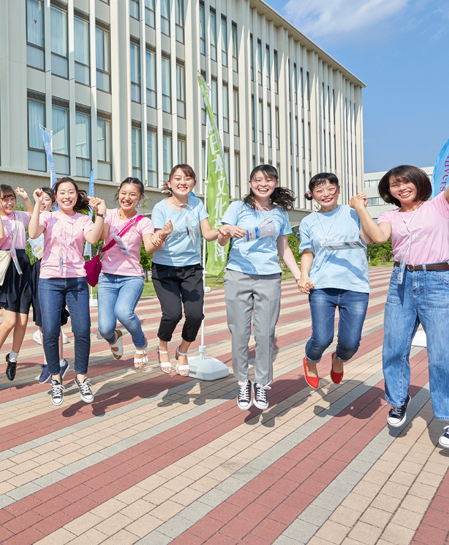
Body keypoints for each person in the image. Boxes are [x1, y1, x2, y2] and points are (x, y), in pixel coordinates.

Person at [351, 111, 449, 449]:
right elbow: (378, 237)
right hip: (400, 283)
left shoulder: (440, 204)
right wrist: (361, 208)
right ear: (389, 191)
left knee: (442, 354)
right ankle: (399, 399)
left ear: (419, 183)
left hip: (437, 282)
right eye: (394, 184)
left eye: (406, 181)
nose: (401, 187)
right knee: (393, 348)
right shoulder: (389, 215)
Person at [218, 164, 300, 411]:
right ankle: (243, 381)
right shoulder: (236, 207)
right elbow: (221, 239)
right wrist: (227, 230)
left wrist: (298, 276)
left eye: (269, 180)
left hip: (269, 277)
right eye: (258, 180)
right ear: (250, 183)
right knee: (239, 332)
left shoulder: (280, 214)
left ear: (275, 183)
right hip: (238, 275)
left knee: (265, 334)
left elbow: (283, 249)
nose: (263, 184)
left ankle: (262, 384)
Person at [29, 177, 107, 405]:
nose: (66, 196)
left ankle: (81, 377)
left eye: (70, 192)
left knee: (82, 330)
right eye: (61, 192)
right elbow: (33, 234)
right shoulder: (47, 216)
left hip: (76, 281)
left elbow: (93, 238)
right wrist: (36, 204)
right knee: (51, 331)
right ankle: (56, 380)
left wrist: (100, 214)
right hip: (49, 281)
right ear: (55, 196)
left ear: (76, 195)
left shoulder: (83, 219)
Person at [298, 173, 370, 388]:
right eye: (319, 190)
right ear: (312, 195)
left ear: (338, 190)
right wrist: (304, 276)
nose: (326, 194)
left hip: (355, 286)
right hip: (322, 286)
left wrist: (362, 209)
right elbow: (308, 252)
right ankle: (310, 361)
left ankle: (338, 360)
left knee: (350, 343)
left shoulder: (353, 213)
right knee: (322, 338)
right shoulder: (308, 221)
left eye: (330, 189)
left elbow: (369, 238)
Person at [147, 164, 220, 376]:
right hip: (165, 269)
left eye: (187, 178)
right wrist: (163, 234)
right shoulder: (160, 208)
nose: (183, 182)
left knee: (196, 315)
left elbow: (207, 234)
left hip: (191, 268)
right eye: (177, 178)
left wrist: (223, 231)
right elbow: (156, 245)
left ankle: (183, 350)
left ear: (193, 183)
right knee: (172, 314)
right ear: (170, 183)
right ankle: (162, 346)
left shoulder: (197, 204)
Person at [97, 178, 154, 369]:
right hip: (107, 277)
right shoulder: (110, 215)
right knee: (105, 329)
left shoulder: (144, 221)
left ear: (140, 197)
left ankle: (141, 343)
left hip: (131, 277)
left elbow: (150, 245)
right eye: (123, 192)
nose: (126, 197)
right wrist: (101, 215)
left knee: (123, 312)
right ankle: (115, 338)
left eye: (132, 194)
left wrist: (160, 236)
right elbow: (102, 236)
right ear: (118, 193)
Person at [0, 185, 34, 381]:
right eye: (5, 199)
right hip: (6, 267)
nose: (9, 202)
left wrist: (26, 198)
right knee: (10, 321)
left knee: (22, 321)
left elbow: (34, 216)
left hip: (23, 266)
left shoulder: (20, 215)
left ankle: (13, 358)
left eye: (11, 198)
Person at [28, 187, 71, 382]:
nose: (43, 201)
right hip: (38, 269)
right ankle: (51, 362)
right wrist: (30, 200)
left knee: (52, 320)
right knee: (42, 322)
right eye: (40, 198)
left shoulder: (56, 219)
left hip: (55, 270)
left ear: (54, 202)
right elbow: (32, 217)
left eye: (47, 199)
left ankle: (57, 362)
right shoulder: (37, 219)